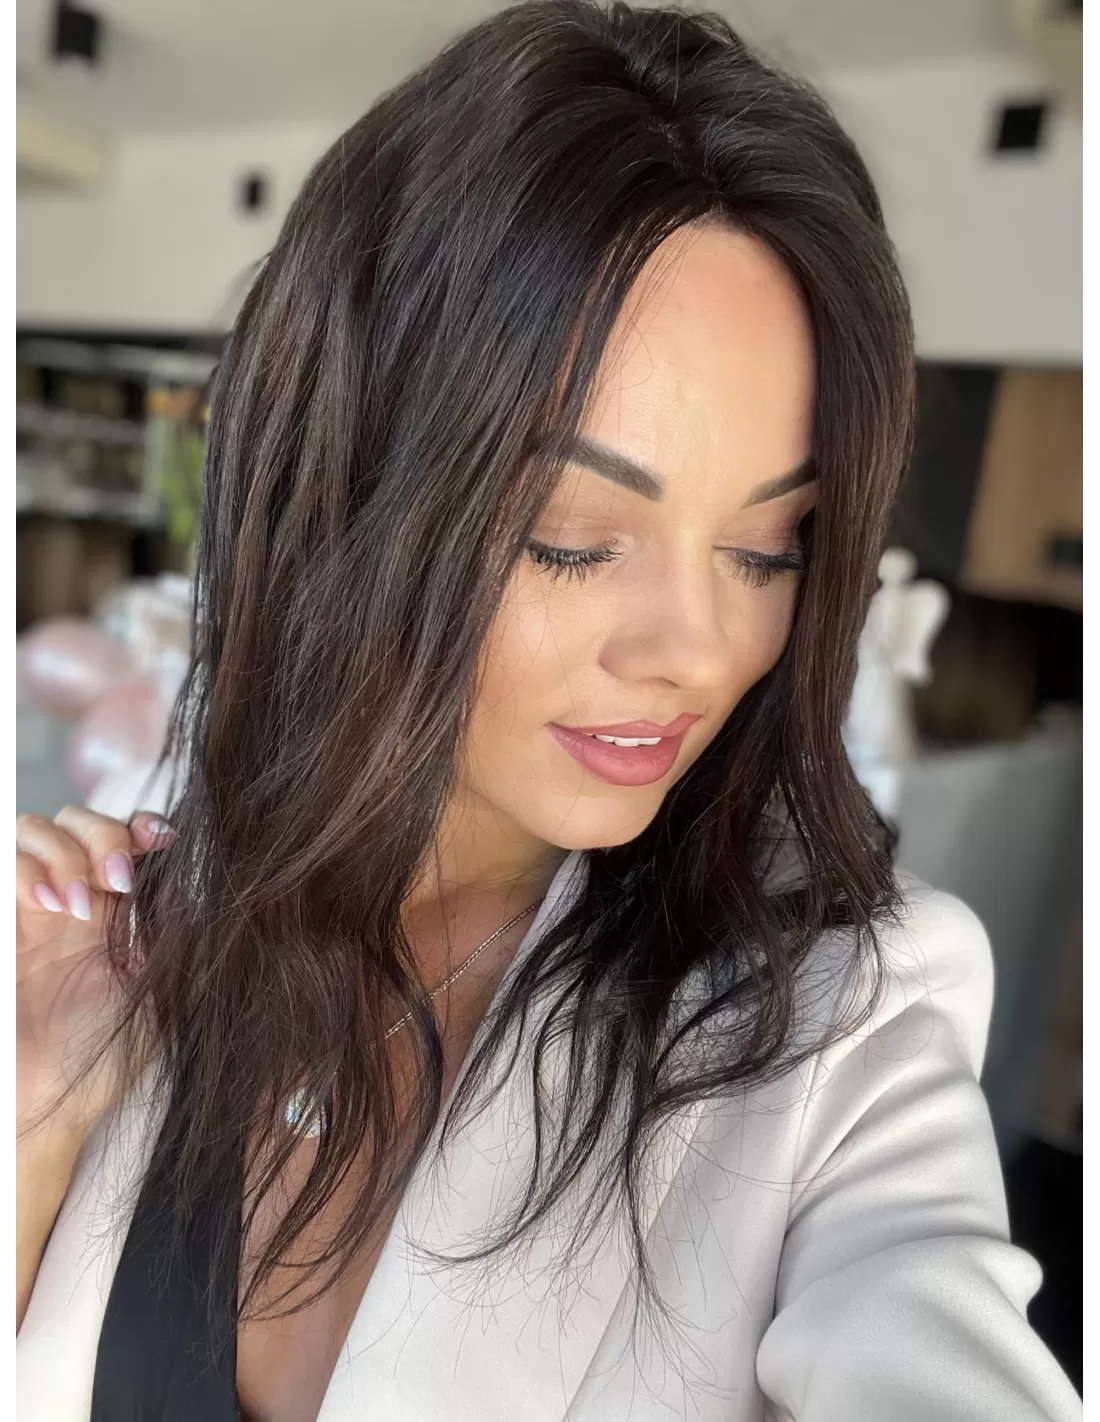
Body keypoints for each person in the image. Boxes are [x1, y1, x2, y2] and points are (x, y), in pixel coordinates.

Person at [15, 4, 1082, 1420]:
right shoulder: (154, 929)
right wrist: (33, 1123)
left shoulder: (836, 1034)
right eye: (574, 536)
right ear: (348, 493)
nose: (697, 652)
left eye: (770, 548)